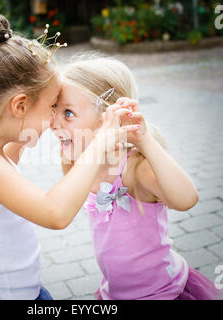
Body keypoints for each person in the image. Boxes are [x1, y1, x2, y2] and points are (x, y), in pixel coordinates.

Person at [0, 14, 139, 300]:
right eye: (52, 106)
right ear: (19, 106)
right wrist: (101, 141)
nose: (54, 118)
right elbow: (55, 213)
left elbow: (5, 162)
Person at [51, 55, 222, 300]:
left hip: (160, 292)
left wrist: (144, 140)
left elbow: (187, 199)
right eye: (53, 110)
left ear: (109, 118)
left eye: (67, 113)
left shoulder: (135, 169)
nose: (53, 122)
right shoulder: (79, 162)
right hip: (115, 292)